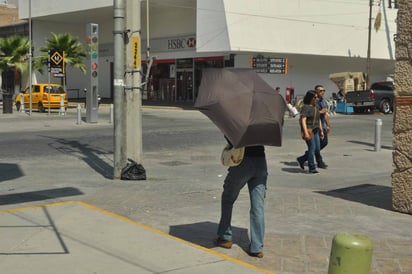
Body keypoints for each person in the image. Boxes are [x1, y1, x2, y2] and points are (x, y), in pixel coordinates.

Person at [215, 139, 267, 258]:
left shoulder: (240, 121)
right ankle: (257, 247)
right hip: (260, 162)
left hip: (243, 160)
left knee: (228, 198)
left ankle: (225, 237)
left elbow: (231, 139)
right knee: (257, 206)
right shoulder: (263, 122)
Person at [296, 85, 330, 169]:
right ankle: (316, 164)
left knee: (321, 145)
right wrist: (306, 132)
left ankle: (304, 158)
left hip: (320, 125)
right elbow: (304, 118)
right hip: (311, 128)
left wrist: (327, 126)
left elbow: (324, 114)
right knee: (313, 147)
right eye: (320, 91)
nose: (323, 92)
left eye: (324, 90)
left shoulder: (322, 101)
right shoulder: (310, 104)